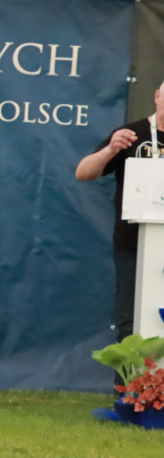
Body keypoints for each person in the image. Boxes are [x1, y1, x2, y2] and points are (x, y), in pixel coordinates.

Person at [75, 78, 164, 343]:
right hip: (133, 244)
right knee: (130, 321)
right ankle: (128, 385)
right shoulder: (131, 135)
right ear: (157, 96)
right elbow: (84, 172)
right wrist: (112, 149)